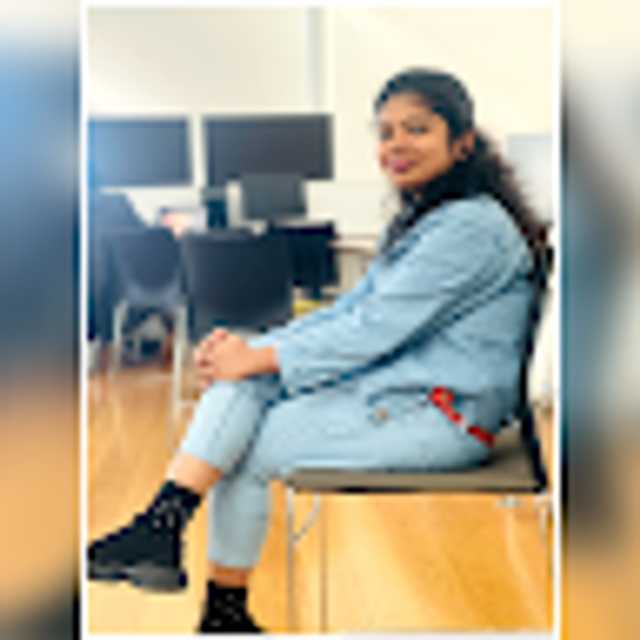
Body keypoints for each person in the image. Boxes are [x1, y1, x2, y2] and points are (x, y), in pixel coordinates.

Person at [88, 67, 549, 633]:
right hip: (399, 391)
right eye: (385, 132)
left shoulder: (471, 228)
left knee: (241, 446)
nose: (396, 144)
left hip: (444, 414)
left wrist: (256, 356)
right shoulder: (429, 218)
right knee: (242, 385)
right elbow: (349, 311)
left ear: (463, 143)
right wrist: (251, 349)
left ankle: (207, 594)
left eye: (416, 129)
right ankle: (171, 544)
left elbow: (372, 329)